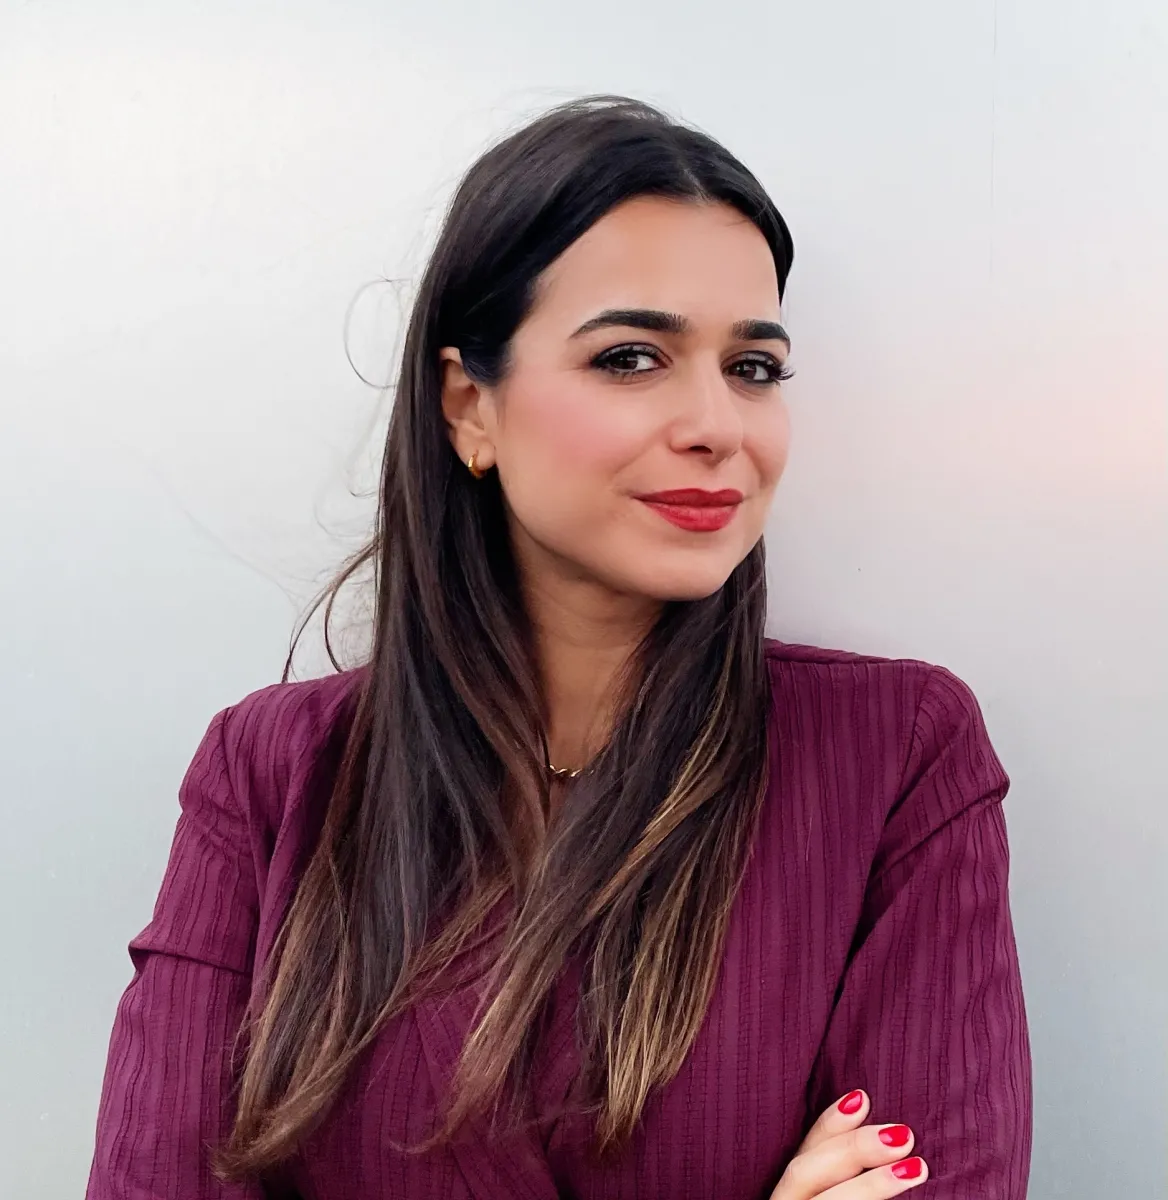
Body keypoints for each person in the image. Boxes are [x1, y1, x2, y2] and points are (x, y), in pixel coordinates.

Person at [86, 94, 1032, 1199]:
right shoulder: (270, 777)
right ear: (467, 408)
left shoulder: (898, 760)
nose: (717, 425)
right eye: (631, 358)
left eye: (754, 367)